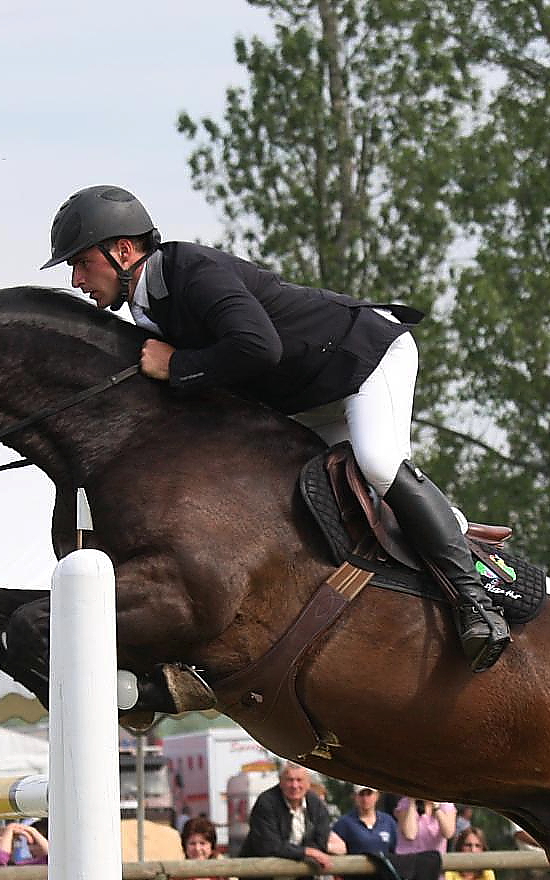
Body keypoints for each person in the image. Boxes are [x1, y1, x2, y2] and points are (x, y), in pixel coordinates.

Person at [43, 183, 508, 671]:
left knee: (378, 463)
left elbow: (259, 347)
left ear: (121, 250)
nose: (76, 279)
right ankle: (441, 542)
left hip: (363, 358)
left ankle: (476, 603)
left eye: (80, 263)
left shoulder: (190, 271)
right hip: (309, 395)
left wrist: (178, 366)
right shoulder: (144, 309)